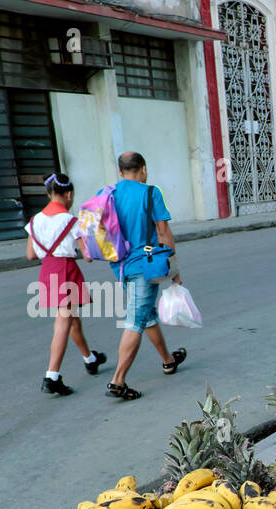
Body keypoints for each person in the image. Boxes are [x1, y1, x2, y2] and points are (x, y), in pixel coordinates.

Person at [105, 151, 186, 400]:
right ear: (143, 169)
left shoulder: (108, 194)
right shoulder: (150, 193)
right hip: (146, 264)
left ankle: (168, 360)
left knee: (146, 313)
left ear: (119, 172)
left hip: (120, 265)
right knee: (135, 320)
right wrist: (174, 268)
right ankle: (118, 381)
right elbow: (162, 231)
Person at [25, 172, 106, 395]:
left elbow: (31, 254)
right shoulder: (71, 221)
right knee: (64, 321)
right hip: (66, 271)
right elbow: (88, 255)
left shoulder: (34, 221)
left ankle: (90, 359)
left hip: (47, 270)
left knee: (71, 319)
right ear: (68, 194)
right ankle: (52, 376)